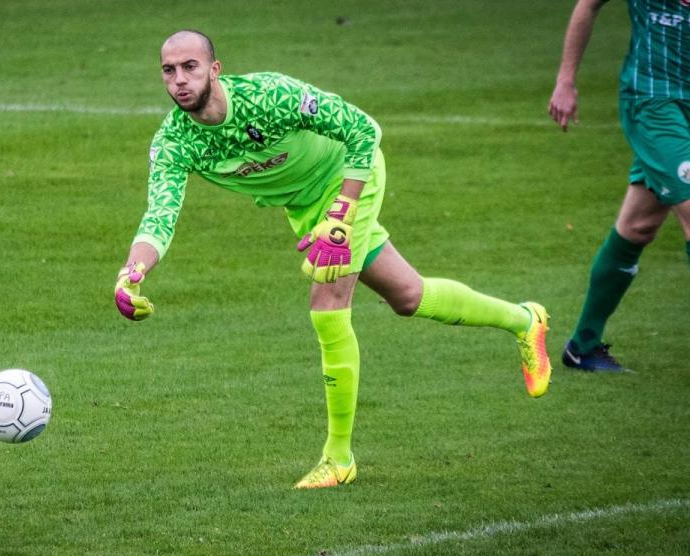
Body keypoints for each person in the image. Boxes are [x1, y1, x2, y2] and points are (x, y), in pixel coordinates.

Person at [115, 30, 551, 489]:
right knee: (407, 296)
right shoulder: (174, 142)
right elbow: (159, 216)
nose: (180, 79)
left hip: (350, 179)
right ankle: (524, 320)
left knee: (327, 302)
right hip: (307, 210)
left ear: (214, 69)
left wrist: (342, 213)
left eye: (190, 67)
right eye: (169, 70)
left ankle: (338, 458)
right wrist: (134, 269)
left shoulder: (271, 95)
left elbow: (365, 130)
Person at [549, 0, 690, 373]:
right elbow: (588, 5)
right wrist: (566, 79)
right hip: (654, 101)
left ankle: (583, 346)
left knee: (637, 227)